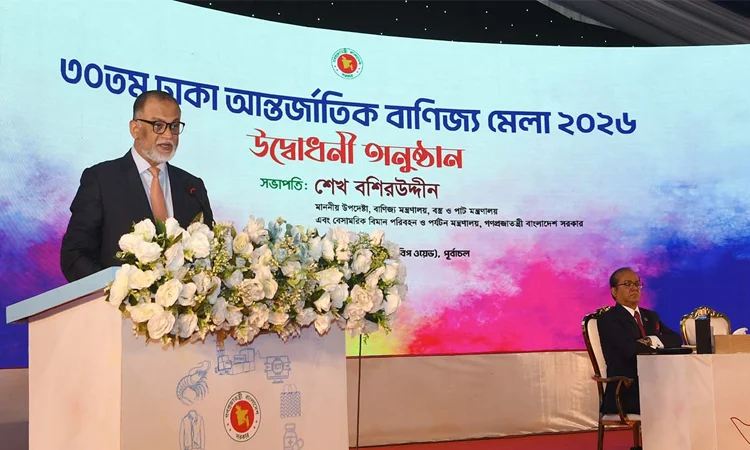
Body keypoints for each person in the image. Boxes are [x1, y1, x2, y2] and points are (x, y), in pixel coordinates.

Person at [60, 90, 214, 282]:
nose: (168, 135)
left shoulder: (192, 187)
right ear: (135, 129)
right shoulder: (102, 179)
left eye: (174, 126)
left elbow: (210, 254)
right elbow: (74, 255)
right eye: (158, 125)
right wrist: (116, 289)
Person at [597, 267, 682, 415]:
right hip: (627, 390)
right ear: (614, 291)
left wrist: (650, 340)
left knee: (687, 391)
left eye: (637, 284)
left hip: (655, 382)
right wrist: (657, 347)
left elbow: (675, 339)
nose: (634, 288)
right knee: (676, 398)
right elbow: (630, 349)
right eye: (627, 284)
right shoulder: (609, 319)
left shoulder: (650, 316)